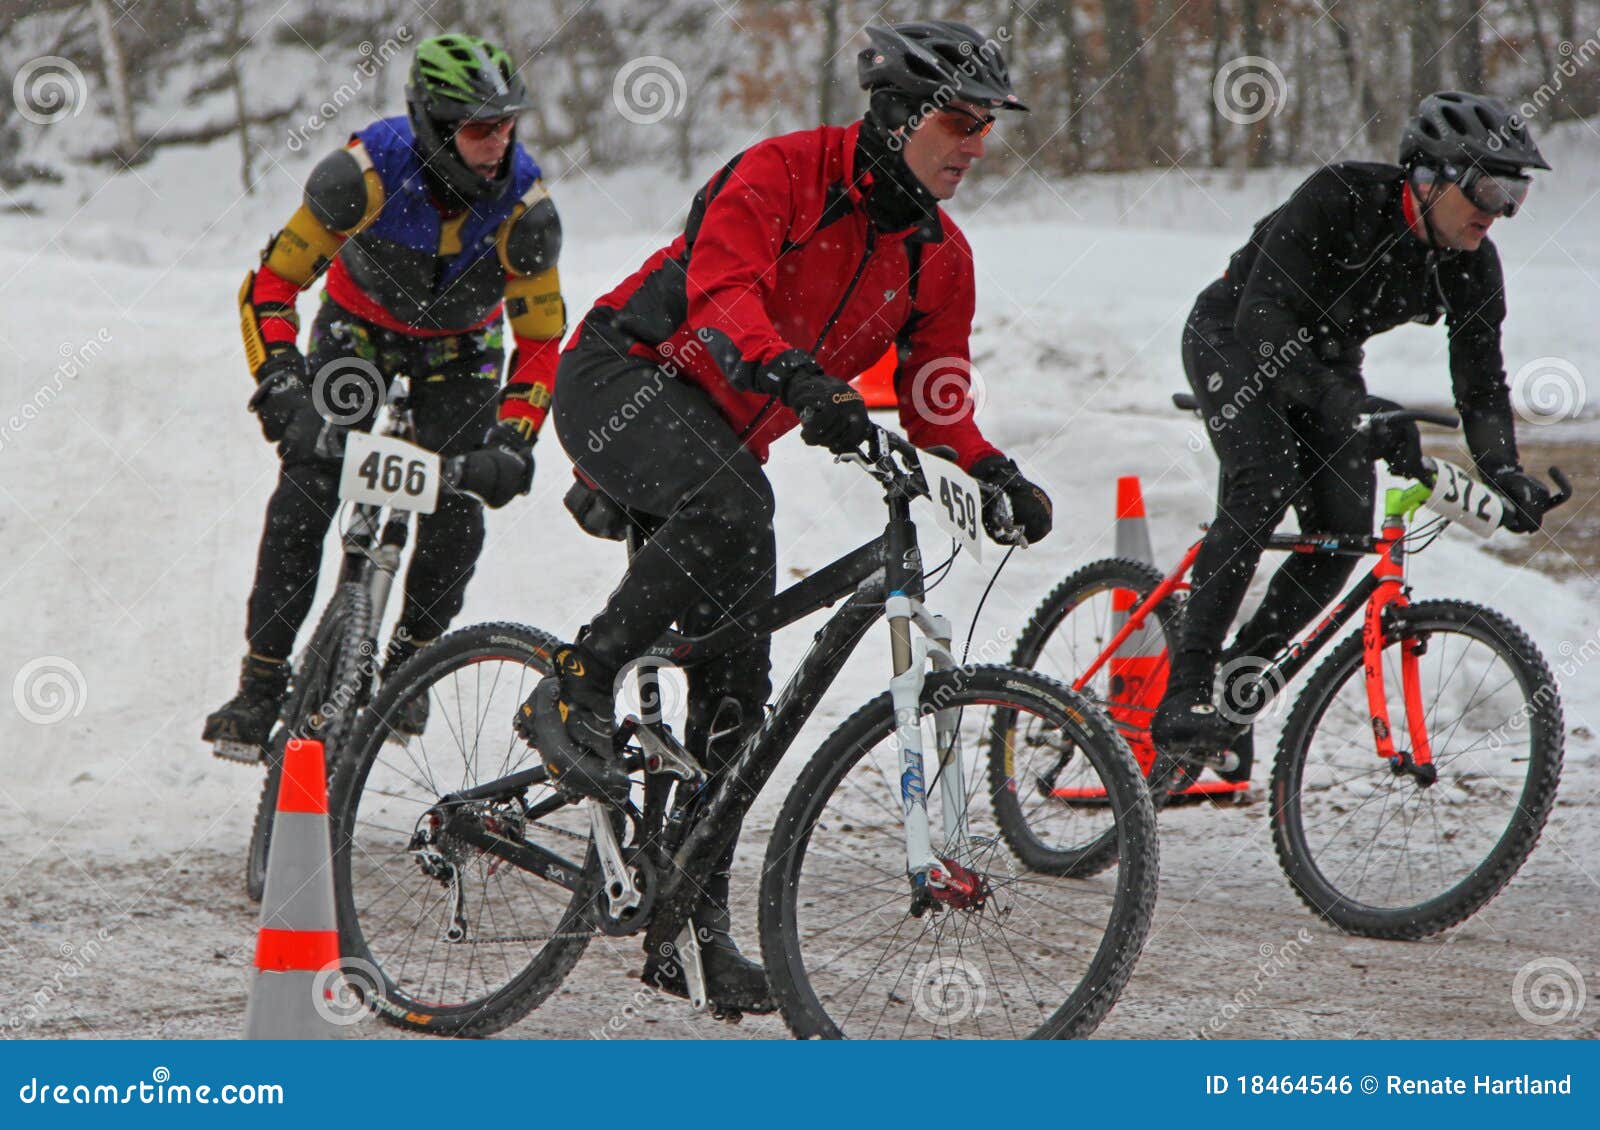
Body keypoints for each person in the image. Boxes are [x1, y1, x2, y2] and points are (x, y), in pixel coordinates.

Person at [515, 21, 1053, 1012]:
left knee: (738, 695)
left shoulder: (940, 255)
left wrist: (990, 466)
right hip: (624, 377)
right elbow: (722, 296)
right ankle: (571, 686)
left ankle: (693, 930)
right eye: (958, 120)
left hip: (726, 432)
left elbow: (934, 388)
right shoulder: (780, 174)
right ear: (895, 120)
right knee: (733, 503)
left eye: (986, 126)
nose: (975, 143)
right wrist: (797, 374)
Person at [1151, 91, 1558, 771]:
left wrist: (1504, 468)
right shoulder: (1340, 196)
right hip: (1238, 335)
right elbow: (1265, 325)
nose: (1499, 210)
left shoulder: (1472, 262)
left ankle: (1236, 684)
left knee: (1341, 532)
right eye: (1487, 187)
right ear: (1427, 178)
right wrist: (1357, 412)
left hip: (1327, 361)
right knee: (1263, 484)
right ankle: (1184, 691)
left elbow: (1481, 382)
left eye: (1513, 191)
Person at [204, 34, 566, 760]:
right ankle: (262, 681)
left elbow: (539, 347)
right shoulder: (361, 176)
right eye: (476, 129)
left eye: (505, 126)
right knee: (310, 479)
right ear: (433, 125)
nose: (496, 144)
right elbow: (270, 287)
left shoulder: (526, 213)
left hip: (462, 348)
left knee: (458, 500)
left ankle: (410, 659)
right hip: (359, 333)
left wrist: (513, 440)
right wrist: (279, 382)